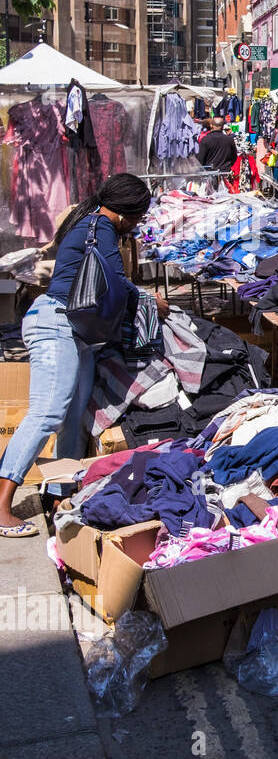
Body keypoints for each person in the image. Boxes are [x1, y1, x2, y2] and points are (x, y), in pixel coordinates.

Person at [0, 175, 156, 536]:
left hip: (75, 332)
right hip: (56, 324)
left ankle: (60, 493)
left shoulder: (96, 226)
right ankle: (2, 504)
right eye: (139, 214)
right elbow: (115, 281)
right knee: (49, 412)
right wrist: (149, 301)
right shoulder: (100, 228)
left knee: (73, 418)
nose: (139, 223)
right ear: (126, 211)